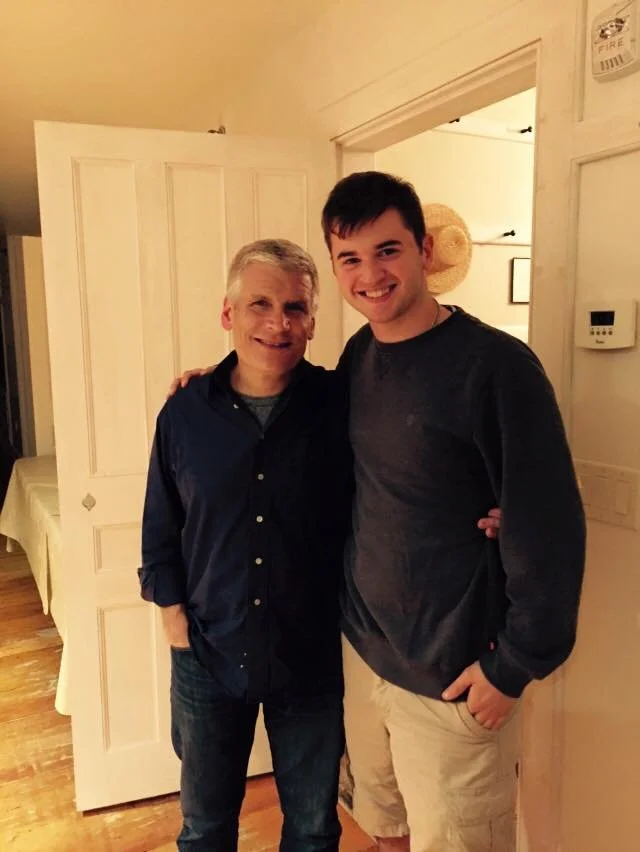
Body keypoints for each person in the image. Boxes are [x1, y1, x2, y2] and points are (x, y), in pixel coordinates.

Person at [322, 172, 585, 852]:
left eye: (387, 250)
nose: (370, 275)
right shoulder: (358, 356)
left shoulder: (497, 368)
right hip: (367, 652)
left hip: (453, 679)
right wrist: (217, 384)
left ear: (423, 248)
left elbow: (550, 528)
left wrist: (515, 667)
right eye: (349, 258)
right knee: (385, 828)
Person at [139, 239, 353, 851]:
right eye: (260, 303)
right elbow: (160, 525)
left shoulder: (341, 404)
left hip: (309, 655)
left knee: (314, 829)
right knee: (205, 829)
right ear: (228, 314)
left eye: (296, 307)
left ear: (312, 319)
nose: (278, 322)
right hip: (207, 651)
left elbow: (408, 465)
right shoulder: (185, 413)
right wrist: (175, 620)